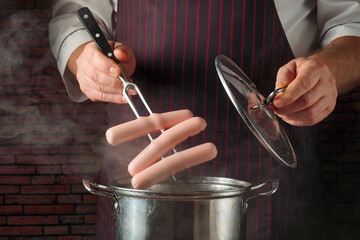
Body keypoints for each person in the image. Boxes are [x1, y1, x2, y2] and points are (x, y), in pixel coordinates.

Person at [49, 0, 360, 239]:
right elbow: (75, 13)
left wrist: (328, 71)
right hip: (136, 177)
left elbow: (352, 22)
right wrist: (85, 60)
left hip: (269, 175)